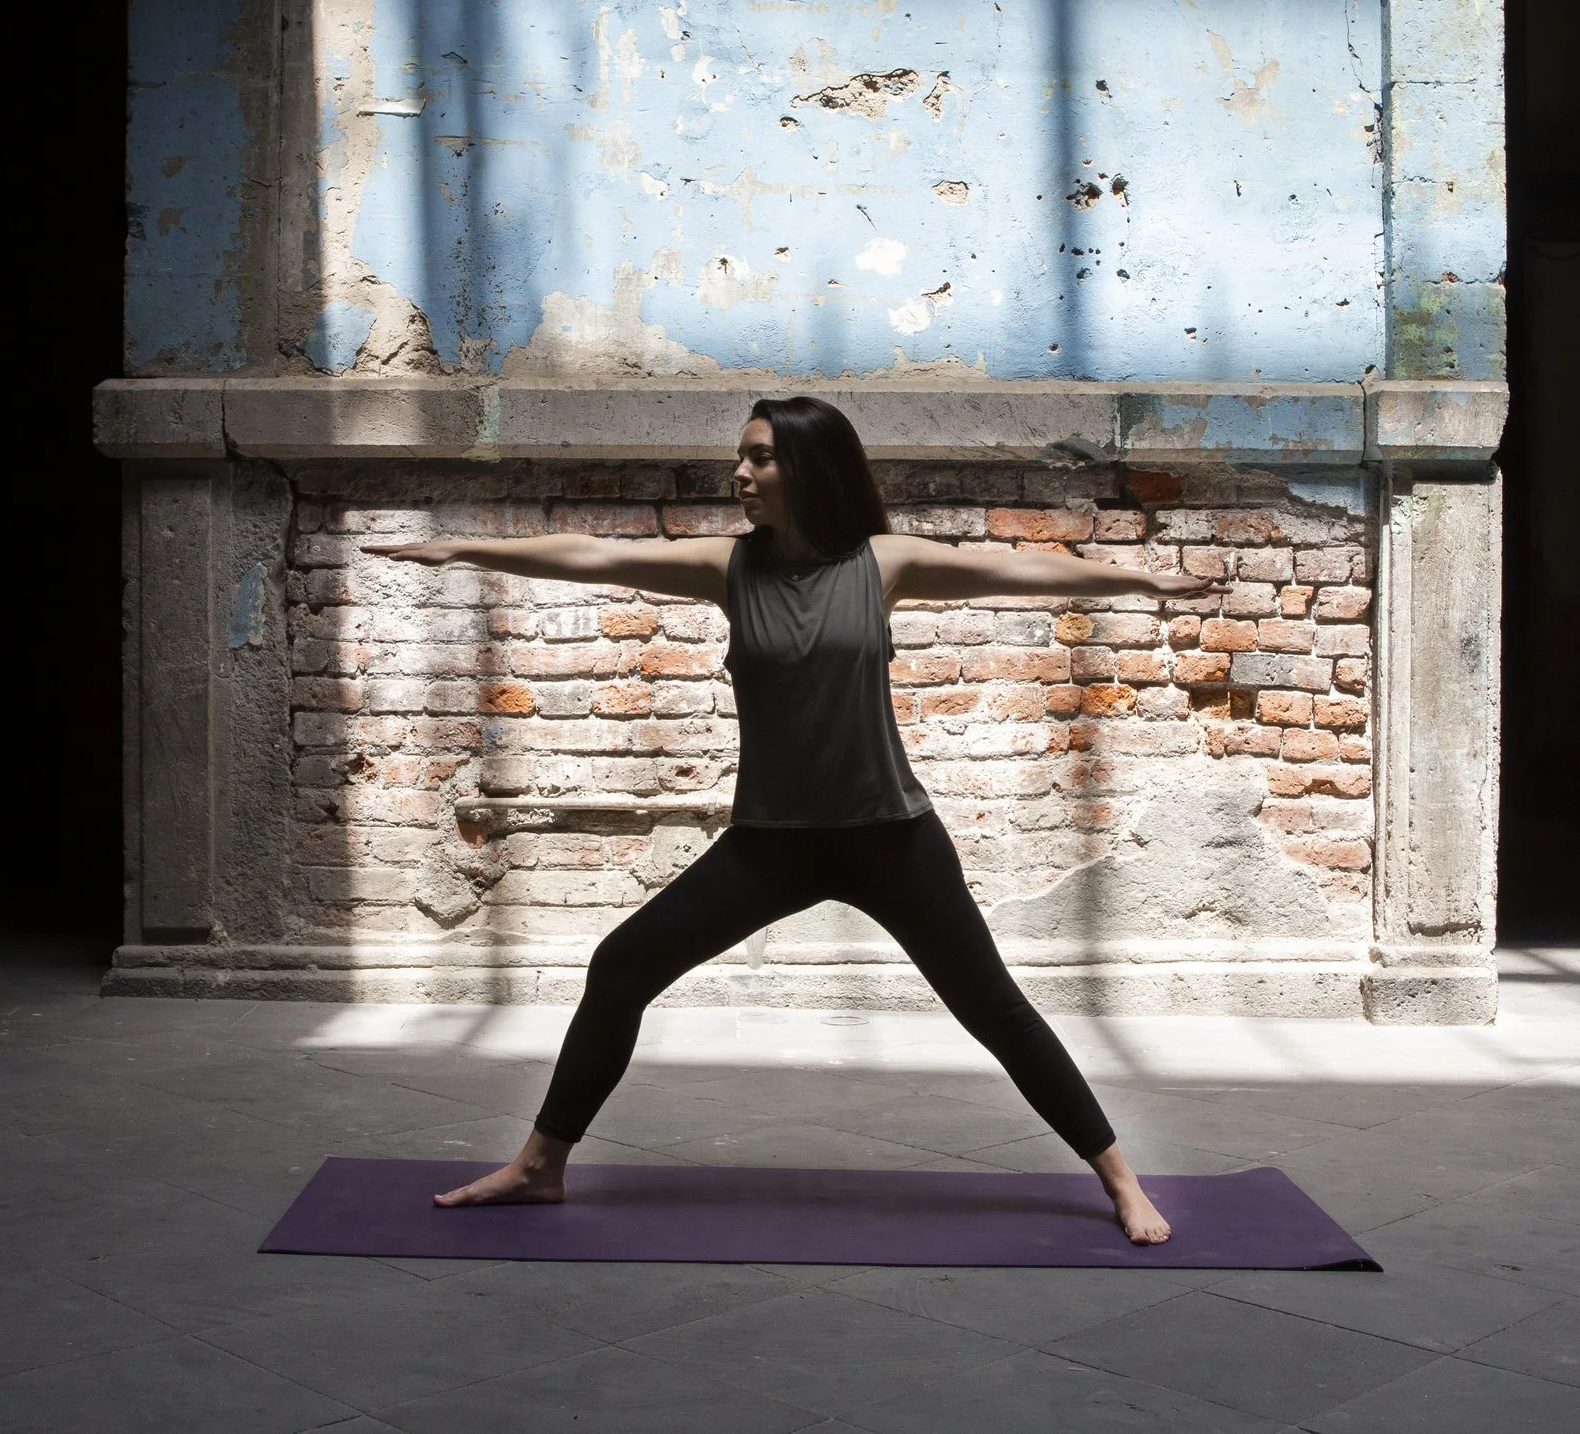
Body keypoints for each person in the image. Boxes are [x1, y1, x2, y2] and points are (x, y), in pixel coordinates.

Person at [365, 396, 1217, 1244]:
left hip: (890, 836)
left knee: (993, 1005)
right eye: (742, 455)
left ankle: (1120, 1178)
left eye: (761, 457)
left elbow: (1023, 572)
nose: (741, 472)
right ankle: (540, 1165)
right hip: (771, 843)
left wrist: (1142, 579)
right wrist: (459, 548)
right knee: (620, 965)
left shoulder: (884, 562)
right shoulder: (727, 568)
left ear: (810, 467)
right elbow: (594, 554)